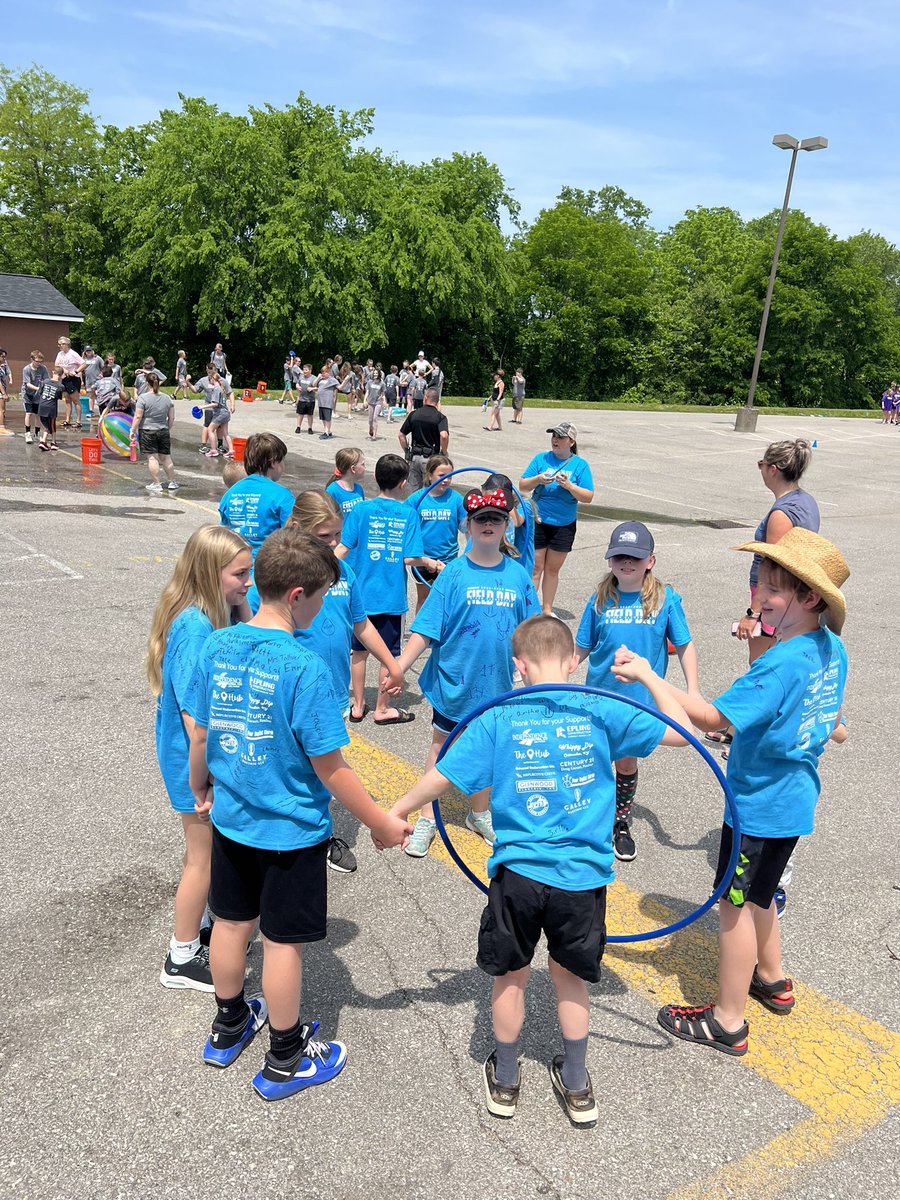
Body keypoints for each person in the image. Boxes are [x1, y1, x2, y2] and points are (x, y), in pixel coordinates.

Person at [389, 615, 690, 1122]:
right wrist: (649, 676)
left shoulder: (500, 715)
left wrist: (393, 813)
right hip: (583, 878)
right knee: (570, 979)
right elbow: (682, 734)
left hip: (519, 875)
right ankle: (576, 1085)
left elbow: (440, 779)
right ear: (576, 661)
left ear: (518, 666)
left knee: (511, 977)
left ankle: (506, 1079)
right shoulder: (601, 709)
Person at [186, 528, 412, 1101]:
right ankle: (286, 1057)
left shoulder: (218, 645)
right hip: (290, 832)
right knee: (283, 942)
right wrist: (382, 822)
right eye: (320, 598)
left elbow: (201, 732)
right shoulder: (304, 667)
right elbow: (331, 768)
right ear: (296, 596)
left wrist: (200, 787)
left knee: (233, 924)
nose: (323, 608)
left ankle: (229, 1022)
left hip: (233, 820)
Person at [615, 528, 849, 1057]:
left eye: (771, 588)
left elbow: (714, 717)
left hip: (757, 807)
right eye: (761, 584)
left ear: (809, 598)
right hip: (794, 799)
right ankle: (772, 977)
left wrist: (650, 675)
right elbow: (832, 718)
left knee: (735, 907)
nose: (758, 596)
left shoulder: (779, 664)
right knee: (761, 894)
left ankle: (728, 1020)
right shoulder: (830, 649)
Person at [396, 486, 541, 859]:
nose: (488, 524)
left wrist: (539, 683)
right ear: (468, 526)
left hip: (496, 685)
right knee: (440, 748)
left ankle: (479, 812)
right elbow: (426, 629)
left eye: (496, 518)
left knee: (488, 749)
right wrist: (399, 668)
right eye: (481, 519)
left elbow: (531, 634)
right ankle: (428, 814)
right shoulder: (454, 574)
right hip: (455, 681)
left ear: (507, 524)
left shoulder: (519, 576)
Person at [272, 490, 406, 871]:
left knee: (321, 767)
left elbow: (360, 623)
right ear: (298, 528)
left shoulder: (342, 571)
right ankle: (286, 840)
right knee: (298, 767)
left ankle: (320, 836)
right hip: (289, 692)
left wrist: (391, 662)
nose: (333, 544)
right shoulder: (276, 574)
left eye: (336, 536)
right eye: (325, 536)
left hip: (331, 692)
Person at [147, 525, 253, 991]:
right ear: (212, 573)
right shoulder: (193, 627)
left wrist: (240, 603)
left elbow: (251, 640)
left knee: (212, 854)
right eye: (241, 575)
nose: (248, 583)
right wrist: (206, 779)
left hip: (204, 760)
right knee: (201, 860)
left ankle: (206, 929)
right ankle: (181, 955)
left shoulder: (216, 613)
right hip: (194, 764)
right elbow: (197, 723)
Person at [574, 521, 698, 862]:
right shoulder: (600, 598)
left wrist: (694, 691)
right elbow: (582, 646)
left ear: (650, 561)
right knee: (594, 759)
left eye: (634, 557)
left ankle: (621, 821)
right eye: (619, 557)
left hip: (639, 703)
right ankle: (591, 819)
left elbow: (685, 645)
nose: (626, 563)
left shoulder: (665, 599)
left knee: (625, 763)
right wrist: (561, 666)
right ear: (610, 560)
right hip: (599, 699)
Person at [710, 440, 820, 752]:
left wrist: (753, 613)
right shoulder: (806, 502)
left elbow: (774, 569)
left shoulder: (781, 514)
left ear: (773, 469)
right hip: (794, 602)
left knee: (762, 671)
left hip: (775, 604)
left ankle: (749, 737)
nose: (760, 469)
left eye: (761, 464)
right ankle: (736, 728)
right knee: (773, 667)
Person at [336, 454, 434, 725]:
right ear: (403, 483)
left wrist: (324, 571)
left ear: (376, 479)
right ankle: (381, 708)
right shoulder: (408, 514)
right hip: (391, 596)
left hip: (361, 596)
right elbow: (410, 558)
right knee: (388, 653)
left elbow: (343, 548)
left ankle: (357, 705)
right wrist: (431, 563)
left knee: (359, 651)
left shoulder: (361, 510)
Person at [519, 423, 595, 616]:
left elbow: (587, 497)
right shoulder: (541, 459)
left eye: (560, 437)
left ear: (571, 441)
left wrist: (570, 486)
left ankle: (547, 610)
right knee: (536, 567)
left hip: (564, 524)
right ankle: (529, 610)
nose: (555, 440)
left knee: (552, 569)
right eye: (554, 436)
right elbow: (522, 486)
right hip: (539, 521)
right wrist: (538, 479)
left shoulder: (580, 465)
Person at [406, 454, 467, 613]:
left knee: (445, 599)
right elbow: (405, 526)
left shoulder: (456, 499)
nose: (446, 480)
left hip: (447, 558)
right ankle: (418, 634)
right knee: (424, 599)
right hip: (422, 558)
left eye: (449, 476)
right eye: (442, 475)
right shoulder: (417, 499)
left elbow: (467, 528)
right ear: (430, 475)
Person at [219, 433, 293, 558]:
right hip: (270, 563)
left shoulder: (230, 493)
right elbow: (293, 535)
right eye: (282, 460)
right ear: (274, 462)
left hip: (235, 560)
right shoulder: (282, 495)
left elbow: (223, 532)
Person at [130, 371, 179, 494]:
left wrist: (132, 430)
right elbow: (171, 417)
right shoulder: (167, 398)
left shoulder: (143, 398)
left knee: (152, 458)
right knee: (166, 457)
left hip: (147, 431)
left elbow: (137, 416)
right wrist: (167, 428)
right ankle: (171, 481)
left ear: (147, 383)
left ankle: (157, 484)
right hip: (163, 430)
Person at [398, 387, 449, 490]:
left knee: (414, 492)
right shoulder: (440, 417)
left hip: (414, 456)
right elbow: (444, 435)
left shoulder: (414, 414)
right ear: (437, 401)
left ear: (425, 398)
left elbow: (401, 435)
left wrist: (407, 450)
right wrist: (444, 452)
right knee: (429, 491)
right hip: (430, 458)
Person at [187, 364, 232, 456]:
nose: (209, 378)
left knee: (210, 430)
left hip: (218, 411)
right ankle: (231, 450)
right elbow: (195, 390)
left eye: (211, 376)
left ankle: (214, 449)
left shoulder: (217, 388)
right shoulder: (220, 387)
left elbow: (215, 403)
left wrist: (201, 407)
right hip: (224, 412)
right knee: (225, 432)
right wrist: (188, 382)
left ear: (214, 379)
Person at [326, 447, 366, 518]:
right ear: (353, 469)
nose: (365, 468)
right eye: (363, 464)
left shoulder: (359, 489)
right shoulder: (332, 491)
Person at [54, 337, 84, 429]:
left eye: (61, 344)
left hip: (73, 379)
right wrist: (64, 369)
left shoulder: (73, 354)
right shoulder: (60, 354)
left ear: (66, 344)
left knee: (76, 400)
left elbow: (84, 363)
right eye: (59, 344)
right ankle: (68, 420)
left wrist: (76, 372)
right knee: (67, 400)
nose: (59, 346)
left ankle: (78, 421)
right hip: (64, 379)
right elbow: (56, 365)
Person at [21, 351, 49, 443]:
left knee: (38, 414)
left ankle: (36, 434)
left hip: (38, 395)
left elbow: (46, 380)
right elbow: (28, 384)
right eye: (37, 361)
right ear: (32, 360)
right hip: (27, 394)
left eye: (40, 361)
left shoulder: (43, 368)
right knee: (29, 413)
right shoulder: (26, 369)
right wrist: (38, 388)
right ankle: (28, 433)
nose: (39, 363)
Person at [38, 367, 64, 451]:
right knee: (51, 425)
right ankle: (51, 442)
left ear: (53, 372)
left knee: (47, 425)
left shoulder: (45, 382)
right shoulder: (60, 386)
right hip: (51, 408)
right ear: (61, 375)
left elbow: (40, 392)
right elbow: (59, 397)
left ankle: (45, 442)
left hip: (41, 406)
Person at [316, 363, 339, 439]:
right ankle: (327, 431)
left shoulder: (332, 380)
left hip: (327, 402)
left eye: (325, 372)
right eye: (322, 372)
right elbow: (314, 384)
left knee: (327, 418)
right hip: (321, 402)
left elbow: (340, 387)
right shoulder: (321, 380)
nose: (323, 374)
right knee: (323, 418)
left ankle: (326, 432)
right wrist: (318, 378)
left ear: (329, 372)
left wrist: (346, 380)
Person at [294, 363, 317, 435]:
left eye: (306, 370)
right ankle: (298, 427)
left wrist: (312, 388)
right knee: (300, 414)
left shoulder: (313, 378)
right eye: (304, 370)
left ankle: (310, 428)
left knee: (310, 415)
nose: (304, 371)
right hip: (302, 399)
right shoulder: (301, 377)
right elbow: (297, 383)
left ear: (310, 370)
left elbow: (317, 388)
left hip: (310, 400)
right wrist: (297, 386)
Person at [365, 368, 385, 440]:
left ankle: (374, 436)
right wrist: (365, 400)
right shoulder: (370, 382)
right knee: (370, 419)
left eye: (376, 373)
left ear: (379, 374)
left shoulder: (382, 383)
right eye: (374, 373)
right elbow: (367, 392)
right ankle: (371, 427)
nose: (375, 374)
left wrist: (383, 400)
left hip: (378, 402)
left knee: (375, 418)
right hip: (371, 402)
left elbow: (383, 393)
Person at [0, 349, 14, 437]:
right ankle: (1, 428)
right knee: (1, 410)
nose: (5, 358)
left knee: (2, 410)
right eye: (3, 356)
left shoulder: (3, 366)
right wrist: (4, 393)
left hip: (2, 390)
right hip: (0, 391)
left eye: (5, 357)